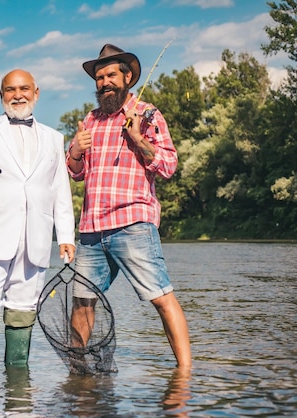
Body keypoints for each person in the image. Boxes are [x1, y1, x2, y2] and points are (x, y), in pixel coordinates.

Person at [66, 44, 191, 367]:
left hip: (133, 223)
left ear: (128, 77)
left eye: (110, 75)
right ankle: (77, 375)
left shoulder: (148, 114)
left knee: (161, 297)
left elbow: (168, 165)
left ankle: (186, 374)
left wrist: (138, 138)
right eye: (99, 77)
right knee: (82, 301)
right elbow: (74, 173)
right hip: (92, 228)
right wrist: (76, 151)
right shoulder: (89, 121)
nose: (104, 82)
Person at [0, 69, 76, 374]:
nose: (17, 95)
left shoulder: (54, 137)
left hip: (35, 239)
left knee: (22, 312)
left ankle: (18, 392)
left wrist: (66, 236)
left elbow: (60, 188)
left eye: (24, 89)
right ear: (1, 95)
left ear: (36, 93)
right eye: (10, 90)